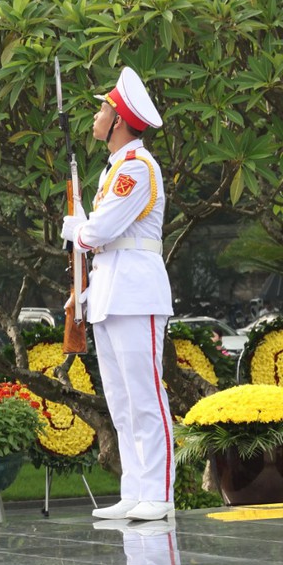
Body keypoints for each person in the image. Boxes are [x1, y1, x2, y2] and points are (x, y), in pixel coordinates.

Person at [63, 66, 177, 522]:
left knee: (146, 396)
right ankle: (135, 489)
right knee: (122, 400)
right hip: (110, 294)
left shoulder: (137, 169)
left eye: (103, 107)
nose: (96, 114)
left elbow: (99, 231)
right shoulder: (114, 171)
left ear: (120, 120)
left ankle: (159, 494)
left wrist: (76, 228)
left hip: (136, 293)